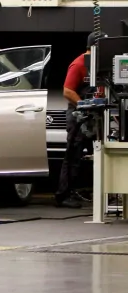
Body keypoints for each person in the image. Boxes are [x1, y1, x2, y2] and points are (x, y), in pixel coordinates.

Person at [57, 32, 99, 209]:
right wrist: (84, 105)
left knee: (100, 152)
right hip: (78, 116)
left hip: (94, 115)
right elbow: (67, 91)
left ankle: (93, 191)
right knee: (73, 155)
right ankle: (63, 195)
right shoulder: (80, 64)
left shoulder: (100, 63)